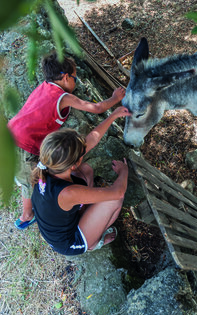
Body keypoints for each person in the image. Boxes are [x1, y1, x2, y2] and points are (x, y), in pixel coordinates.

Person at [8, 51, 126, 229]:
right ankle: (26, 214)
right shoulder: (63, 97)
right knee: (28, 181)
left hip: (11, 133)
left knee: (22, 173)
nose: (75, 83)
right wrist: (115, 98)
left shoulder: (44, 86)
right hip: (25, 143)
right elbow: (96, 108)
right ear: (65, 77)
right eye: (75, 79)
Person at [31, 104, 131, 255]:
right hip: (71, 242)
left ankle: (85, 214)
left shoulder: (49, 166)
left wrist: (113, 116)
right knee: (114, 200)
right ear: (72, 164)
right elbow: (118, 192)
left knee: (85, 170)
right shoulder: (68, 193)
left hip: (60, 224)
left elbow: (92, 139)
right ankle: (94, 241)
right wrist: (124, 172)